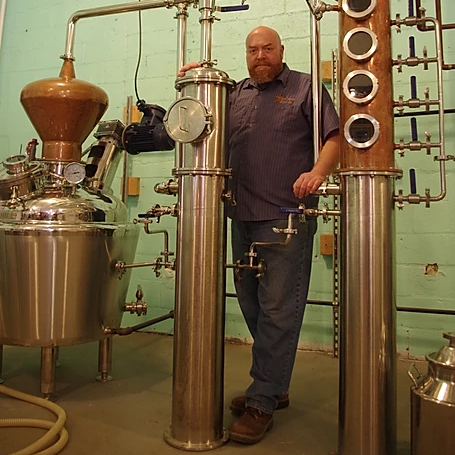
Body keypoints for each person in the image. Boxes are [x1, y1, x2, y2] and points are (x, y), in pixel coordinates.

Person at [179, 26, 339, 445]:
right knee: (252, 303)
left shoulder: (305, 88)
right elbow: (193, 125)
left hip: (286, 217)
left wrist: (318, 173)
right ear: (246, 55)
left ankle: (262, 401)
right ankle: (275, 382)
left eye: (267, 48)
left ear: (281, 51)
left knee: (277, 310)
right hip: (240, 216)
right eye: (253, 50)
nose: (260, 55)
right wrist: (192, 85)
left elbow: (335, 139)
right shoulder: (236, 95)